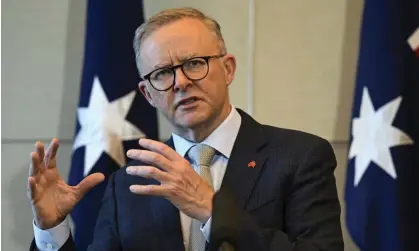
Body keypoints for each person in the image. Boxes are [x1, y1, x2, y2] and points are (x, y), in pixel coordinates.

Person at [27, 7, 344, 251]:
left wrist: (213, 212)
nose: (180, 82)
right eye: (163, 73)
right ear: (148, 94)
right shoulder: (128, 185)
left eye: (194, 63)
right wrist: (51, 228)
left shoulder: (299, 157)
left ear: (228, 68)